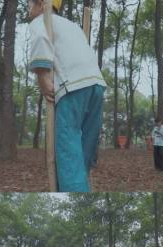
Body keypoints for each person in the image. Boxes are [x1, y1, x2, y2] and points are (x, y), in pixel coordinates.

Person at [27, 0, 106, 192]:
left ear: (40, 4)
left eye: (29, 4)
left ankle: (73, 187)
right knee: (85, 146)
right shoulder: (73, 27)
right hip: (96, 84)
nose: (28, 9)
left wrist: (42, 76)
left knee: (68, 146)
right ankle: (82, 183)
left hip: (71, 86)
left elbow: (40, 42)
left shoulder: (41, 21)